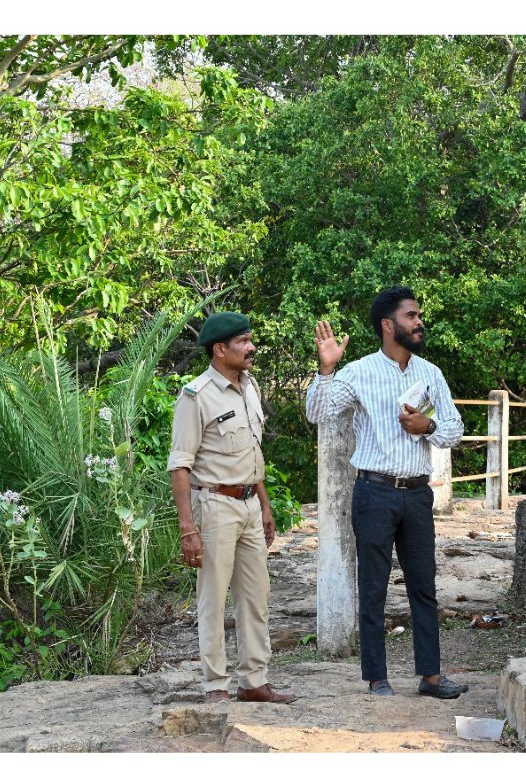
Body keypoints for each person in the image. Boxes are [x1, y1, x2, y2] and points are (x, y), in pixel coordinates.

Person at [305, 287, 469, 699]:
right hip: (374, 493)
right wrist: (326, 371)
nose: (419, 322)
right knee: (374, 587)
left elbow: (454, 429)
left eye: (418, 315)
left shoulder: (430, 373)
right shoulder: (359, 371)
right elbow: (318, 414)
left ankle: (431, 677)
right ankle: (377, 678)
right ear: (387, 324)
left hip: (416, 495)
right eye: (411, 316)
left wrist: (426, 427)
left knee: (423, 586)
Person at [167, 311, 297, 703]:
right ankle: (215, 685)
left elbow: (251, 452)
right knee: (213, 597)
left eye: (250, 339)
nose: (251, 347)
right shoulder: (196, 395)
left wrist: (266, 505)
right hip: (214, 507)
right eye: (242, 342)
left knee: (256, 596)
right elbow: (180, 465)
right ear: (220, 349)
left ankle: (254, 680)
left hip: (249, 506)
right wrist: (187, 528)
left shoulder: (249, 386)